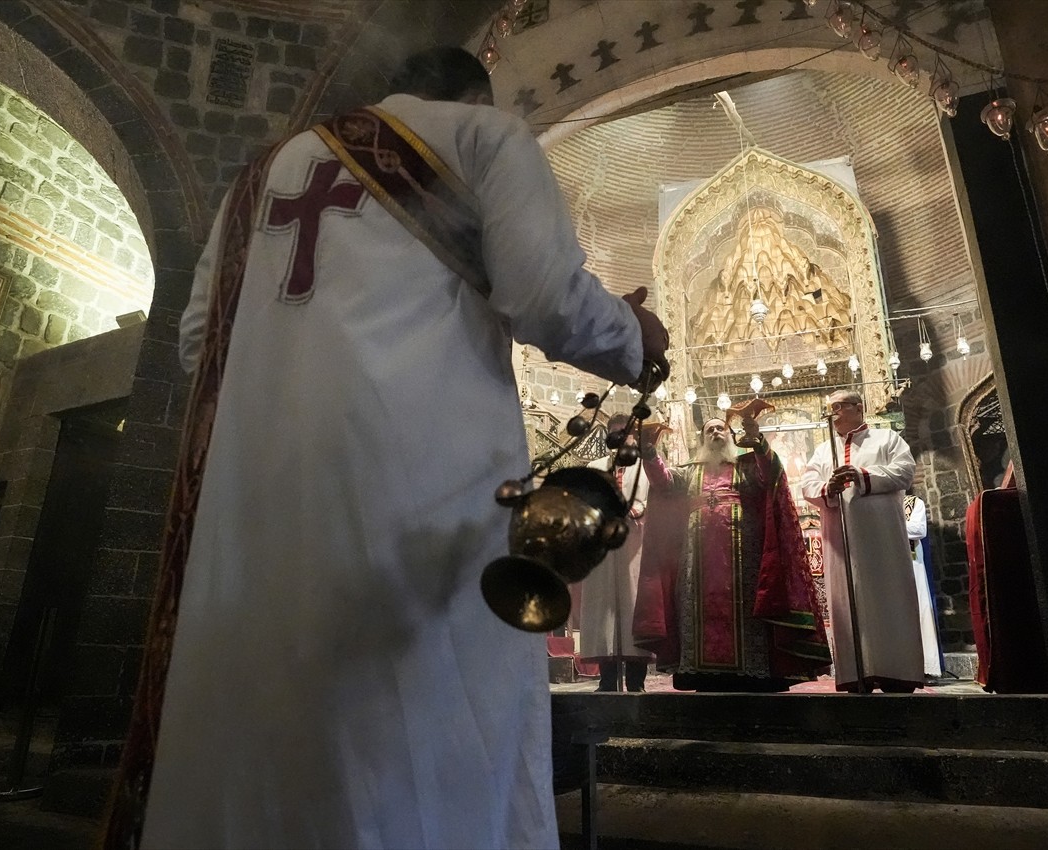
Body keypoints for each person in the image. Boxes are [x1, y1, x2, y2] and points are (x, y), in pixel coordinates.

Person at [124, 47, 668, 850]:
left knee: (257, 714)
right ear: (475, 95)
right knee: (420, 720)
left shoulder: (264, 170)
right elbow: (543, 295)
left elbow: (199, 340)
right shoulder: (485, 137)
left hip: (254, 504)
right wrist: (635, 337)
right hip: (422, 488)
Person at [639, 415, 829, 692]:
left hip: (744, 556)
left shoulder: (746, 466)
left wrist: (759, 442)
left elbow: (771, 475)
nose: (715, 432)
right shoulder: (691, 471)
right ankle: (703, 675)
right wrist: (649, 453)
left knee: (745, 609)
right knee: (696, 608)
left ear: (730, 435)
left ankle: (752, 673)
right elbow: (663, 482)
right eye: (709, 429)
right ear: (702, 439)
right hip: (697, 559)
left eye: (721, 428)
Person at [800, 390, 923, 693]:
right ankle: (858, 674)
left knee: (888, 597)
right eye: (829, 410)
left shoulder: (886, 439)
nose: (833, 414)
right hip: (841, 541)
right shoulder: (822, 451)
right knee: (848, 599)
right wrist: (827, 487)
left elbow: (905, 472)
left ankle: (896, 671)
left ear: (858, 407)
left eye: (838, 407)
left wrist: (862, 475)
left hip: (882, 538)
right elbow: (807, 483)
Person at [578, 413, 653, 692]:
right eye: (615, 433)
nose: (620, 437)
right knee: (603, 611)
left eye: (625, 432)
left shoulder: (646, 466)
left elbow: (652, 499)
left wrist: (636, 509)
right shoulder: (594, 466)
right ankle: (607, 679)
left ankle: (637, 681)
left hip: (635, 543)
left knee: (634, 607)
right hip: (603, 547)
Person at [904, 491, 943, 679]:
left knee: (919, 610)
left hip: (912, 566)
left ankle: (926, 666)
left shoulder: (913, 503)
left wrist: (887, 523)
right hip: (885, 565)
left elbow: (918, 530)